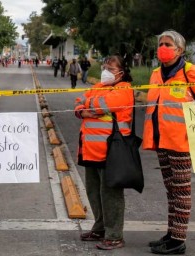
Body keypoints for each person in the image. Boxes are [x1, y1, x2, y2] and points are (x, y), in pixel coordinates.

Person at [143, 30, 195, 255]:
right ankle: (171, 233)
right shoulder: (156, 73)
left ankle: (178, 241)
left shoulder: (191, 72)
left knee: (182, 192)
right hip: (161, 141)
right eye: (161, 44)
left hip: (182, 143)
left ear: (180, 49)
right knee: (171, 191)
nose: (163, 47)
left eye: (168, 44)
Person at [74, 55, 133, 250]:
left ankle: (114, 235)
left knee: (111, 195)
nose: (105, 71)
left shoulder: (124, 89)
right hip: (90, 150)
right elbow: (78, 100)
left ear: (121, 73)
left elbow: (108, 105)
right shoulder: (97, 86)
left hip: (111, 151)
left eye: (111, 68)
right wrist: (81, 110)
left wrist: (89, 105)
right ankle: (99, 228)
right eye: (104, 67)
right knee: (93, 192)